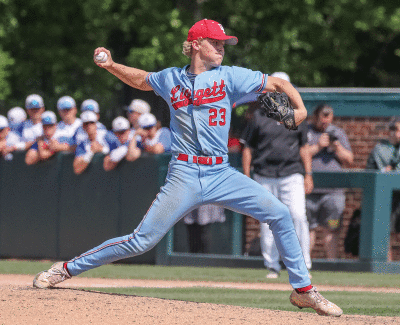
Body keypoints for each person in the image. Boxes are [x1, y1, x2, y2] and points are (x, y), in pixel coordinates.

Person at [33, 19, 342, 317]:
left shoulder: (230, 77)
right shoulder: (170, 79)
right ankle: (65, 269)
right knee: (142, 240)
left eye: (224, 43)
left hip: (221, 173)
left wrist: (300, 109)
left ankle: (302, 290)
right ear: (196, 45)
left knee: (280, 213)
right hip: (184, 173)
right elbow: (141, 79)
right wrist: (112, 66)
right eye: (215, 42)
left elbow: (278, 82)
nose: (222, 47)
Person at [240, 71, 313, 279]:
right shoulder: (258, 116)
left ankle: (304, 263)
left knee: (298, 216)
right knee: (268, 220)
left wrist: (308, 174)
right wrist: (246, 175)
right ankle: (272, 265)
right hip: (264, 174)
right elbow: (247, 148)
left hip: (292, 173)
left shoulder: (297, 115)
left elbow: (304, 147)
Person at [306, 103, 354, 260]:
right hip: (309, 191)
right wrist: (318, 146)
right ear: (315, 117)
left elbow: (349, 161)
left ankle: (332, 265)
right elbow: (298, 156)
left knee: (332, 228)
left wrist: (337, 147)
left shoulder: (337, 133)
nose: (325, 122)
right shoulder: (305, 131)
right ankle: (305, 265)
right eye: (322, 118)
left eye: (328, 118)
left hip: (333, 193)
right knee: (307, 228)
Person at [366, 115, 400, 260]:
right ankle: (386, 268)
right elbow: (370, 171)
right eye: (393, 129)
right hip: (388, 197)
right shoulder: (380, 149)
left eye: (397, 129)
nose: (395, 133)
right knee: (386, 233)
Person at [73, 111, 119, 175]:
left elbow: (120, 150)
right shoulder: (83, 144)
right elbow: (77, 169)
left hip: (112, 176)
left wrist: (103, 150)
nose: (89, 126)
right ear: (83, 126)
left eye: (91, 122)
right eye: (86, 124)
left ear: (96, 124)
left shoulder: (107, 136)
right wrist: (90, 152)